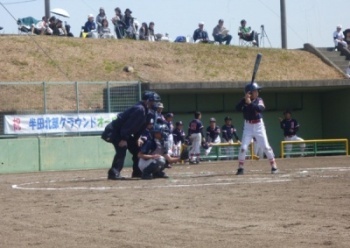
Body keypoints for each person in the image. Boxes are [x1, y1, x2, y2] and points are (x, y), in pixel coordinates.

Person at [104, 91, 161, 180]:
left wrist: (138, 138)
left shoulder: (145, 111)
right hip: (114, 131)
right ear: (147, 101)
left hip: (122, 132)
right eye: (153, 101)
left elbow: (140, 127)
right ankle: (114, 172)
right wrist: (123, 139)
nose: (154, 103)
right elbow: (127, 126)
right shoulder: (139, 109)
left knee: (136, 149)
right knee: (122, 148)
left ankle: (137, 172)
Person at [235, 82, 278, 175]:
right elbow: (237, 108)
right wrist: (244, 100)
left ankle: (273, 165)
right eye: (255, 91)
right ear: (249, 92)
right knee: (243, 147)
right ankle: (240, 168)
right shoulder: (244, 101)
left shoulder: (259, 100)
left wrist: (250, 103)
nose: (257, 92)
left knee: (266, 147)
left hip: (259, 125)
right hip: (248, 126)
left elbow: (260, 109)